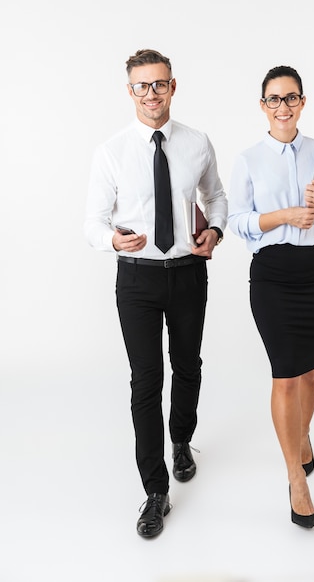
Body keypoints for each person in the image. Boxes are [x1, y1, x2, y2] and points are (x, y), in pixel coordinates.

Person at [84, 48, 227, 538]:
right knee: (146, 380)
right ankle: (155, 489)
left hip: (188, 271)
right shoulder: (111, 151)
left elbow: (217, 196)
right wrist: (111, 240)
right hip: (138, 279)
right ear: (130, 91)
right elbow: (91, 223)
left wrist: (216, 231)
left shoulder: (197, 142)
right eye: (142, 86)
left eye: (159, 84)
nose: (151, 94)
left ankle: (181, 440)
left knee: (188, 366)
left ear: (172, 86)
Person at [227, 65, 314, 528]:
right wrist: (283, 215)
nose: (283, 106)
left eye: (291, 97)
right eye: (274, 99)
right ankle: (295, 477)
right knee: (286, 377)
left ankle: (303, 433)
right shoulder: (249, 159)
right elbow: (238, 220)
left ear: (302, 102)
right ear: (263, 106)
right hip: (273, 276)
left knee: (313, 373)